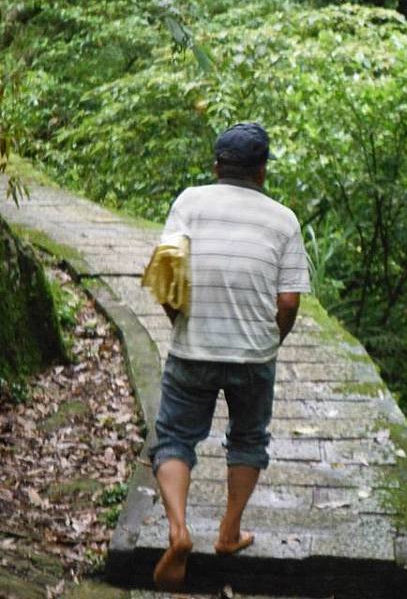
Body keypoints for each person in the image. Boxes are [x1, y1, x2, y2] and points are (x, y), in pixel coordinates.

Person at [149, 122, 311, 590]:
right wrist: (269, 342)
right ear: (262, 171)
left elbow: (166, 276)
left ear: (217, 166)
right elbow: (289, 303)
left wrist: (178, 322)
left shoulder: (189, 203)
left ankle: (179, 532)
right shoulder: (284, 219)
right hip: (254, 353)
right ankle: (228, 532)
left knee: (176, 437)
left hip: (192, 348)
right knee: (247, 439)